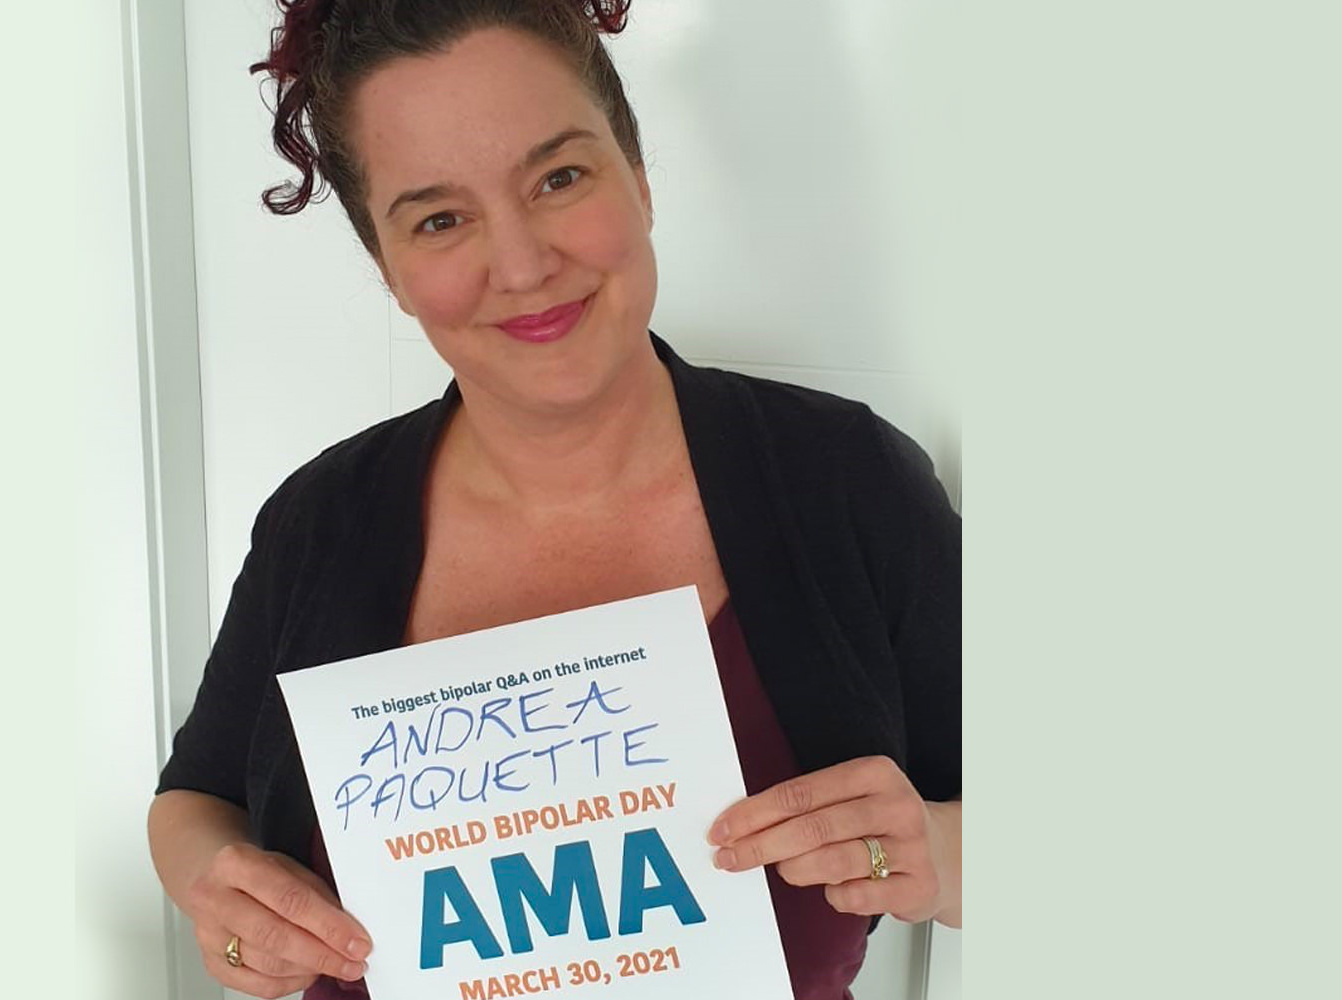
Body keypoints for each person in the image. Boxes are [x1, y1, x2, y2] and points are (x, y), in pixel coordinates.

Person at [146, 2, 962, 997]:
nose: (524, 264)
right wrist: (219, 897)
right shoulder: (322, 518)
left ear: (639, 178)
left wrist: (936, 850)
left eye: (559, 177)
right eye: (439, 218)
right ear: (388, 268)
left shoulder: (843, 481)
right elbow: (195, 797)